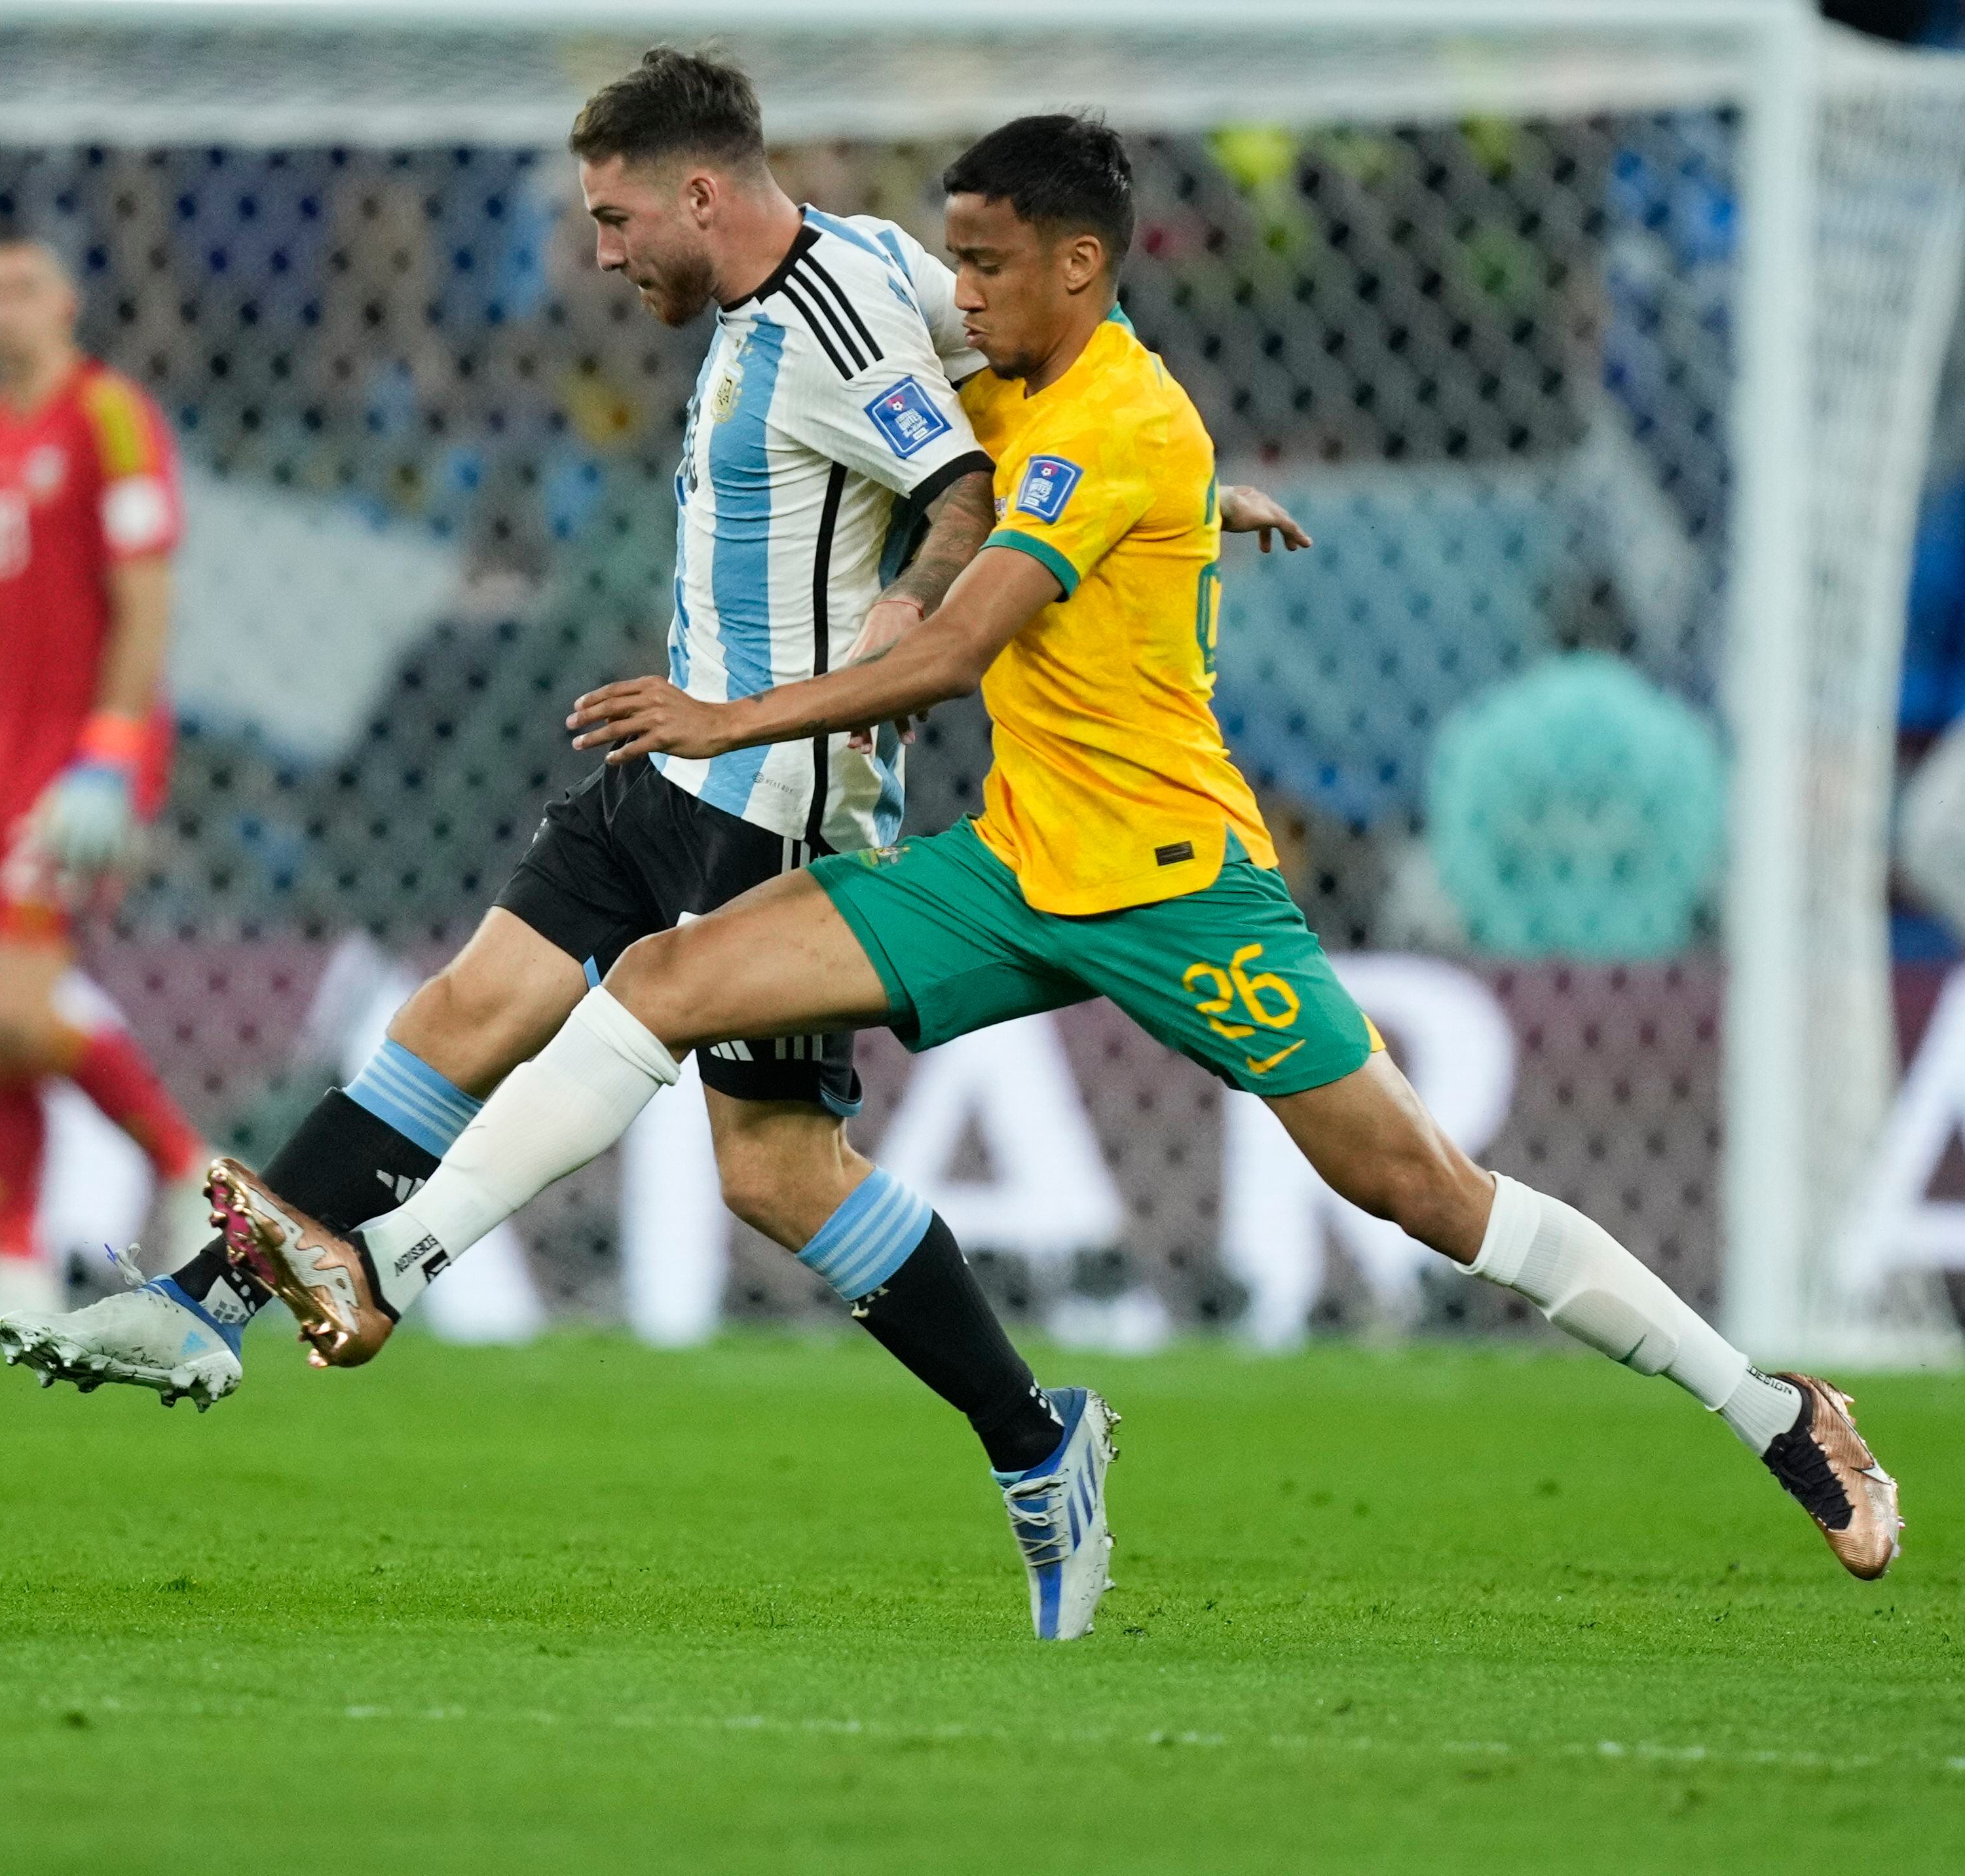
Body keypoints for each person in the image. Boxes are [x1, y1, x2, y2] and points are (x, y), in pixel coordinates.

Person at [194, 115, 1904, 1636]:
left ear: (1084, 265)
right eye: (955, 254)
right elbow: (956, 444)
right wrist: (1209, 506)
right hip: (1010, 865)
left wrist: (733, 712)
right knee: (662, 983)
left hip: (1175, 886)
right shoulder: (1028, 389)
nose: (966, 288)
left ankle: (1768, 1406)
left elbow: (956, 651)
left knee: (1424, 1191)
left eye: (992, 262)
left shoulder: (1113, 420)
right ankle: (390, 1265)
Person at [0, 55, 1301, 1636]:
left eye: (617, 218)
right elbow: (1042, 388)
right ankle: (203, 1308)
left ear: (701, 192)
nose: (603, 253)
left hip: (775, 795)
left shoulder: (836, 314)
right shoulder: (873, 267)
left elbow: (968, 480)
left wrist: (948, 584)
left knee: (776, 1172)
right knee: (457, 1015)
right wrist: (1197, 494)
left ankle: (1039, 1441)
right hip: (667, 753)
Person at [0, 238, 212, 1351]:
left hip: (78, 753)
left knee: (24, 1006)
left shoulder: (109, 415)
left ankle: (195, 1172)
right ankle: (13, 1266)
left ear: (68, 301)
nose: (2, 308)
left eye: (24, 287)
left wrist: (115, 749)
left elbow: (147, 592)